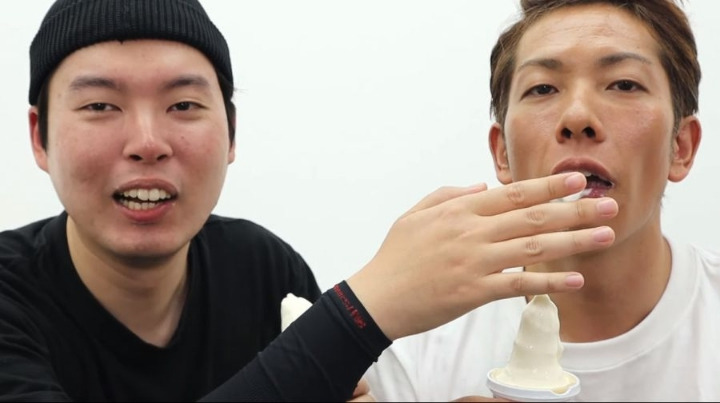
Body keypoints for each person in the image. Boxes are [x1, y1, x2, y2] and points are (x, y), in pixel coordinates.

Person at [0, 0, 621, 401]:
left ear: (232, 134)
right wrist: (365, 309)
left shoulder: (264, 270)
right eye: (100, 105)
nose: (147, 142)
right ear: (39, 137)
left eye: (183, 104)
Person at [365, 0, 719, 401]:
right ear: (502, 153)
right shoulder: (408, 347)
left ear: (681, 146)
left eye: (623, 84)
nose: (578, 118)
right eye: (543, 88)